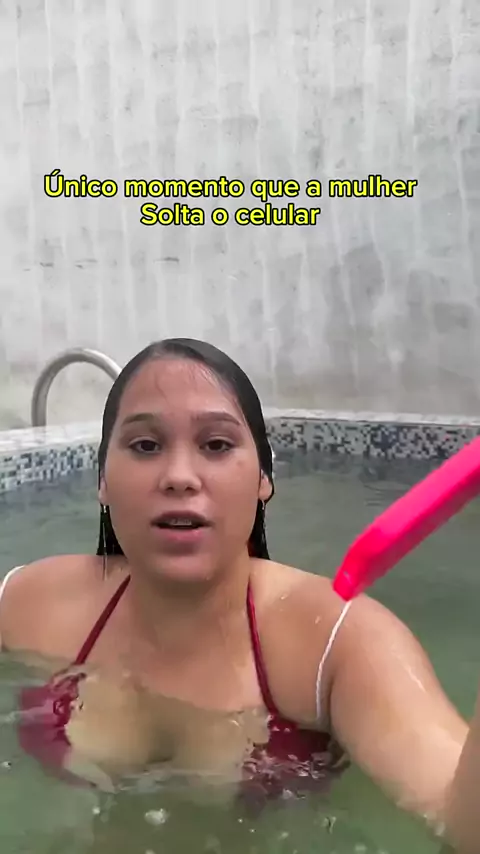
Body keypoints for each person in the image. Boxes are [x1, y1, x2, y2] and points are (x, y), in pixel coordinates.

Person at [0, 338, 477, 851]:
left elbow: (459, 817)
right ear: (101, 480)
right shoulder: (30, 604)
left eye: (216, 445)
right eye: (145, 446)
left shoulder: (336, 645)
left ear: (264, 478)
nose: (179, 477)